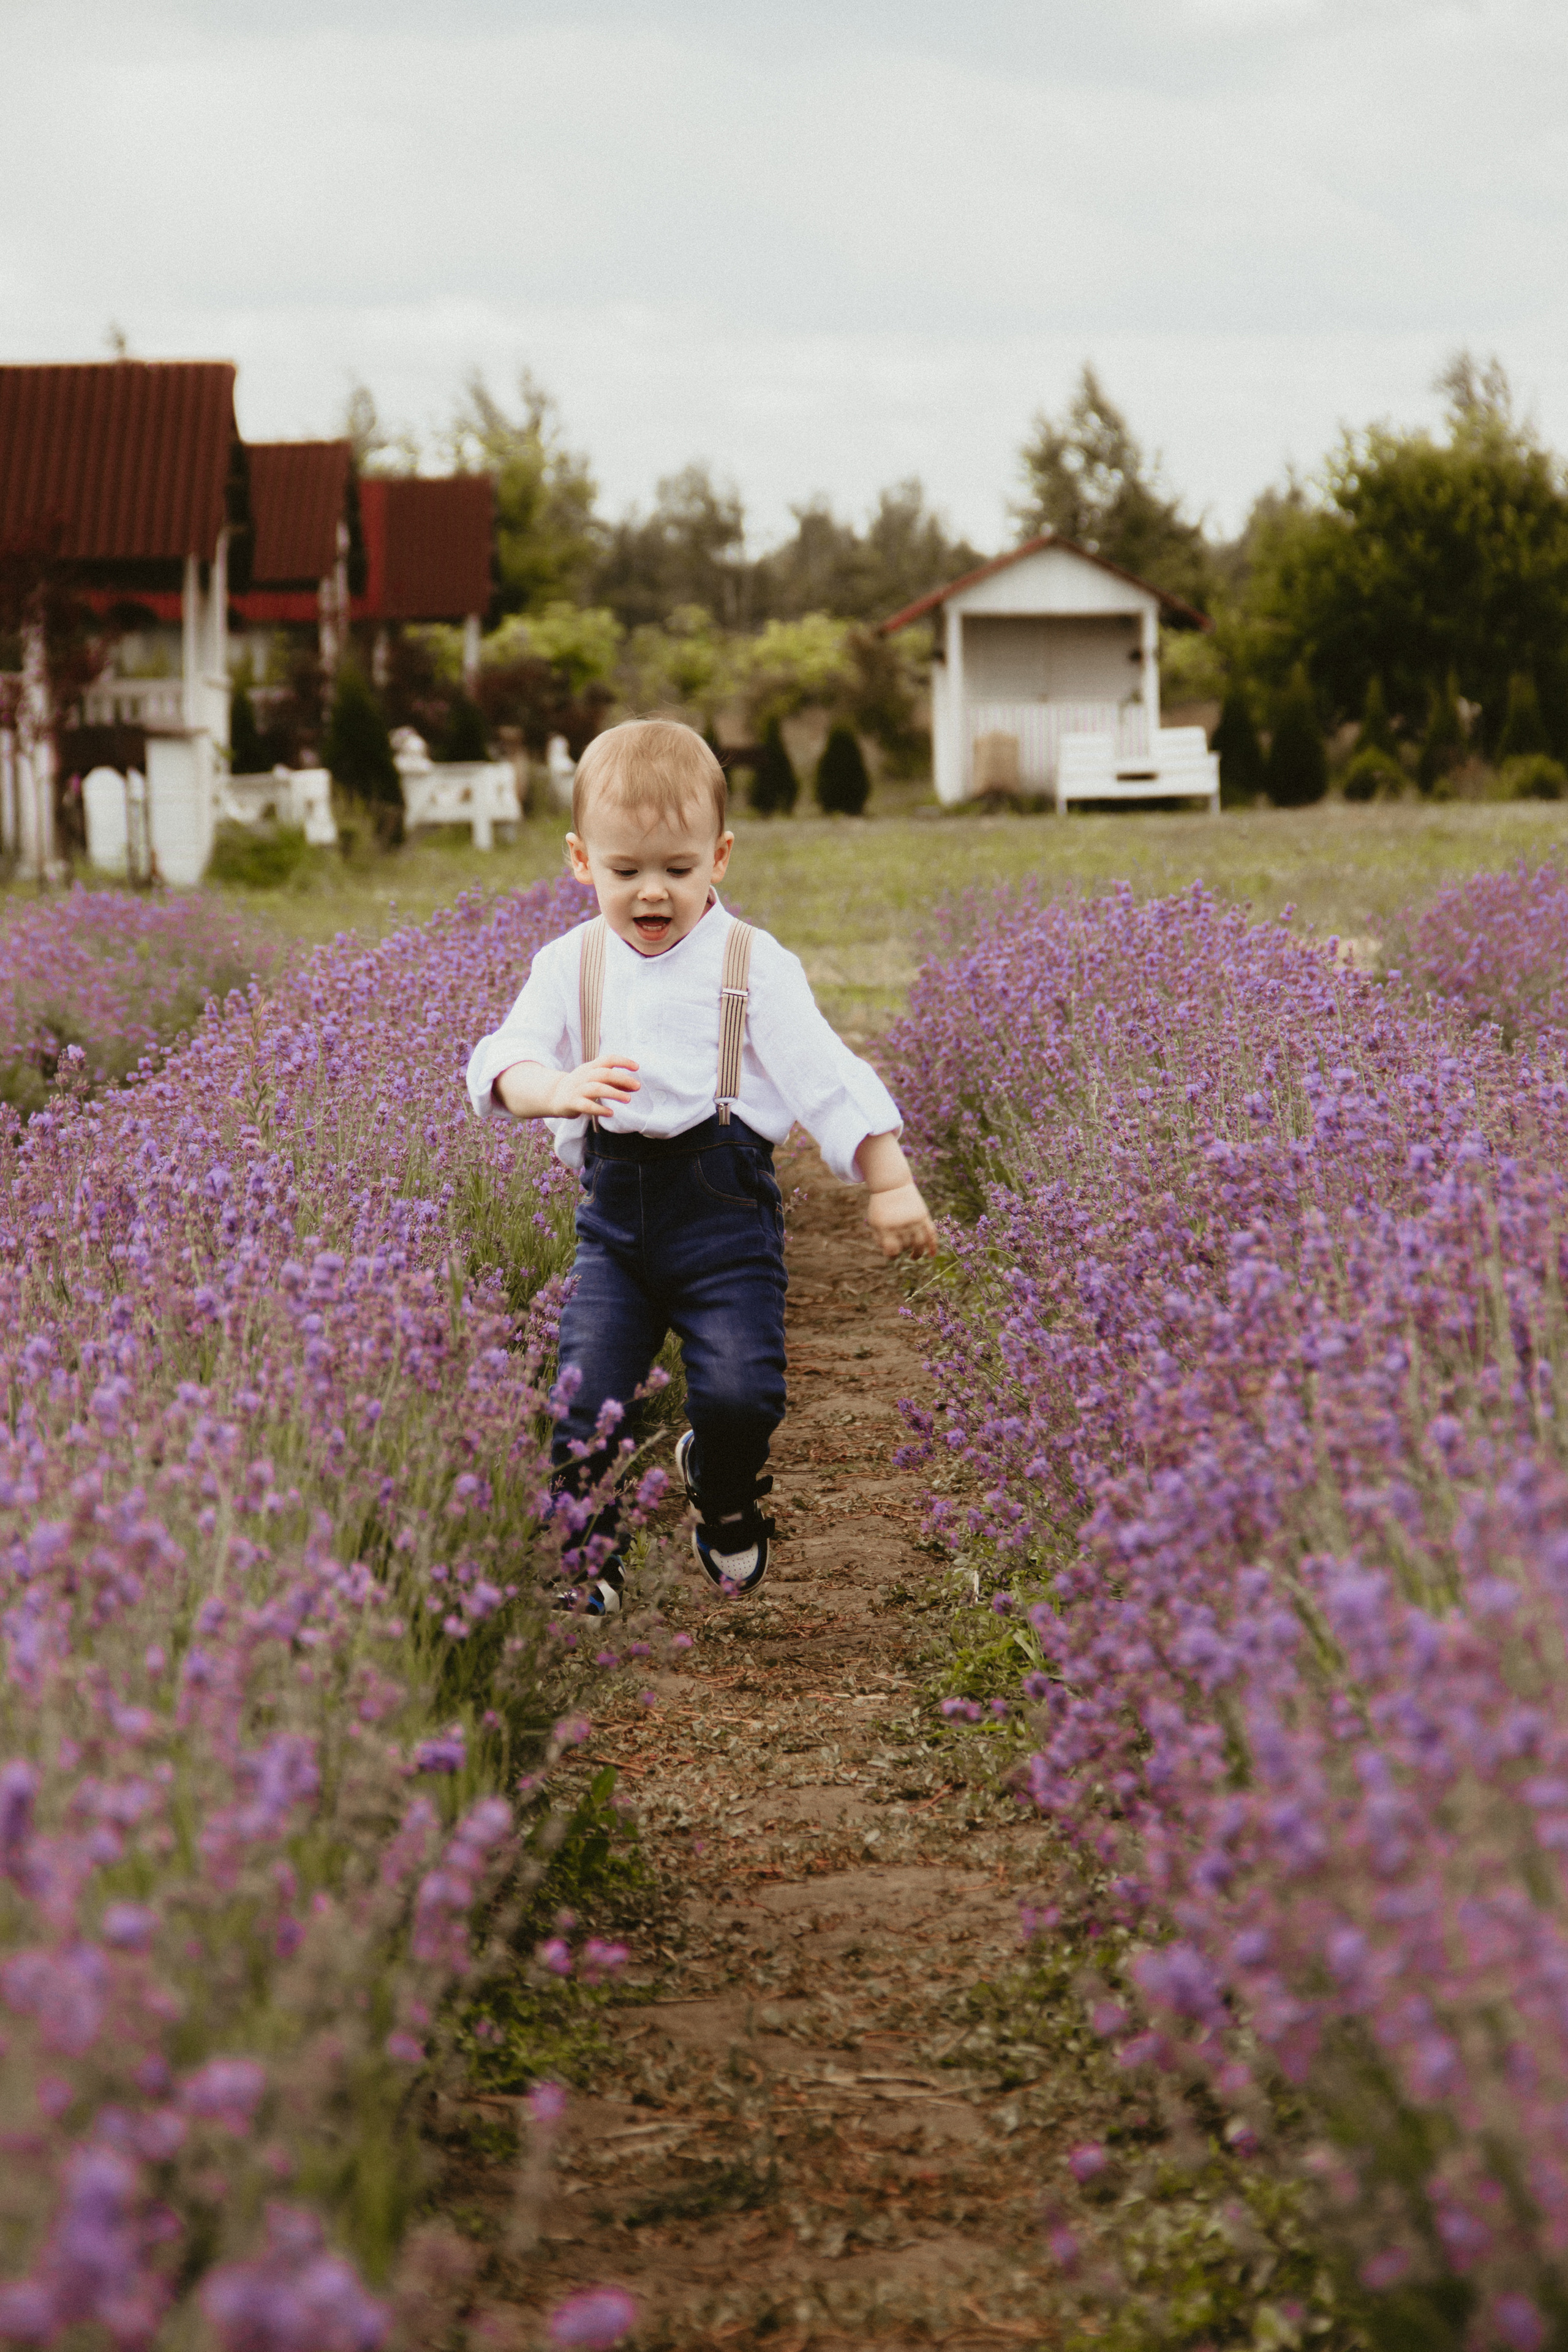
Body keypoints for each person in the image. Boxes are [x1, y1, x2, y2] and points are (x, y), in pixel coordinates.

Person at [465, 717, 937, 1615]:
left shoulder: (752, 963)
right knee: (586, 1398)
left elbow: (828, 1076)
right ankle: (586, 1562)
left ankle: (721, 1490)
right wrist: (554, 1086)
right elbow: (499, 1059)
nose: (652, 894)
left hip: (725, 1220)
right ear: (580, 862)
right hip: (616, 1227)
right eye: (625, 871)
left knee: (740, 1393)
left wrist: (891, 1179)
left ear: (719, 858)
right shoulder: (572, 962)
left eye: (677, 871)